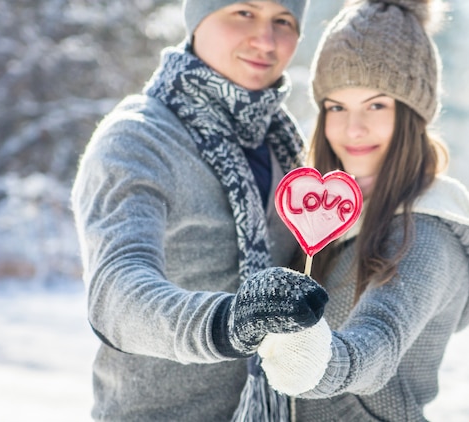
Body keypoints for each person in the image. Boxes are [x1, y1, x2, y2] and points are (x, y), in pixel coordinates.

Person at [71, 1, 329, 421]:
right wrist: (228, 323)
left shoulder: (286, 146)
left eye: (283, 21)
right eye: (243, 12)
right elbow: (116, 294)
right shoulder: (137, 138)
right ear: (197, 19)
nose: (265, 39)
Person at [255, 0, 469, 421]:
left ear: (412, 113)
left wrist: (320, 362)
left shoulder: (426, 233)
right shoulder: (327, 214)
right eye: (336, 107)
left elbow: (380, 337)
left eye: (376, 105)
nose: (353, 129)